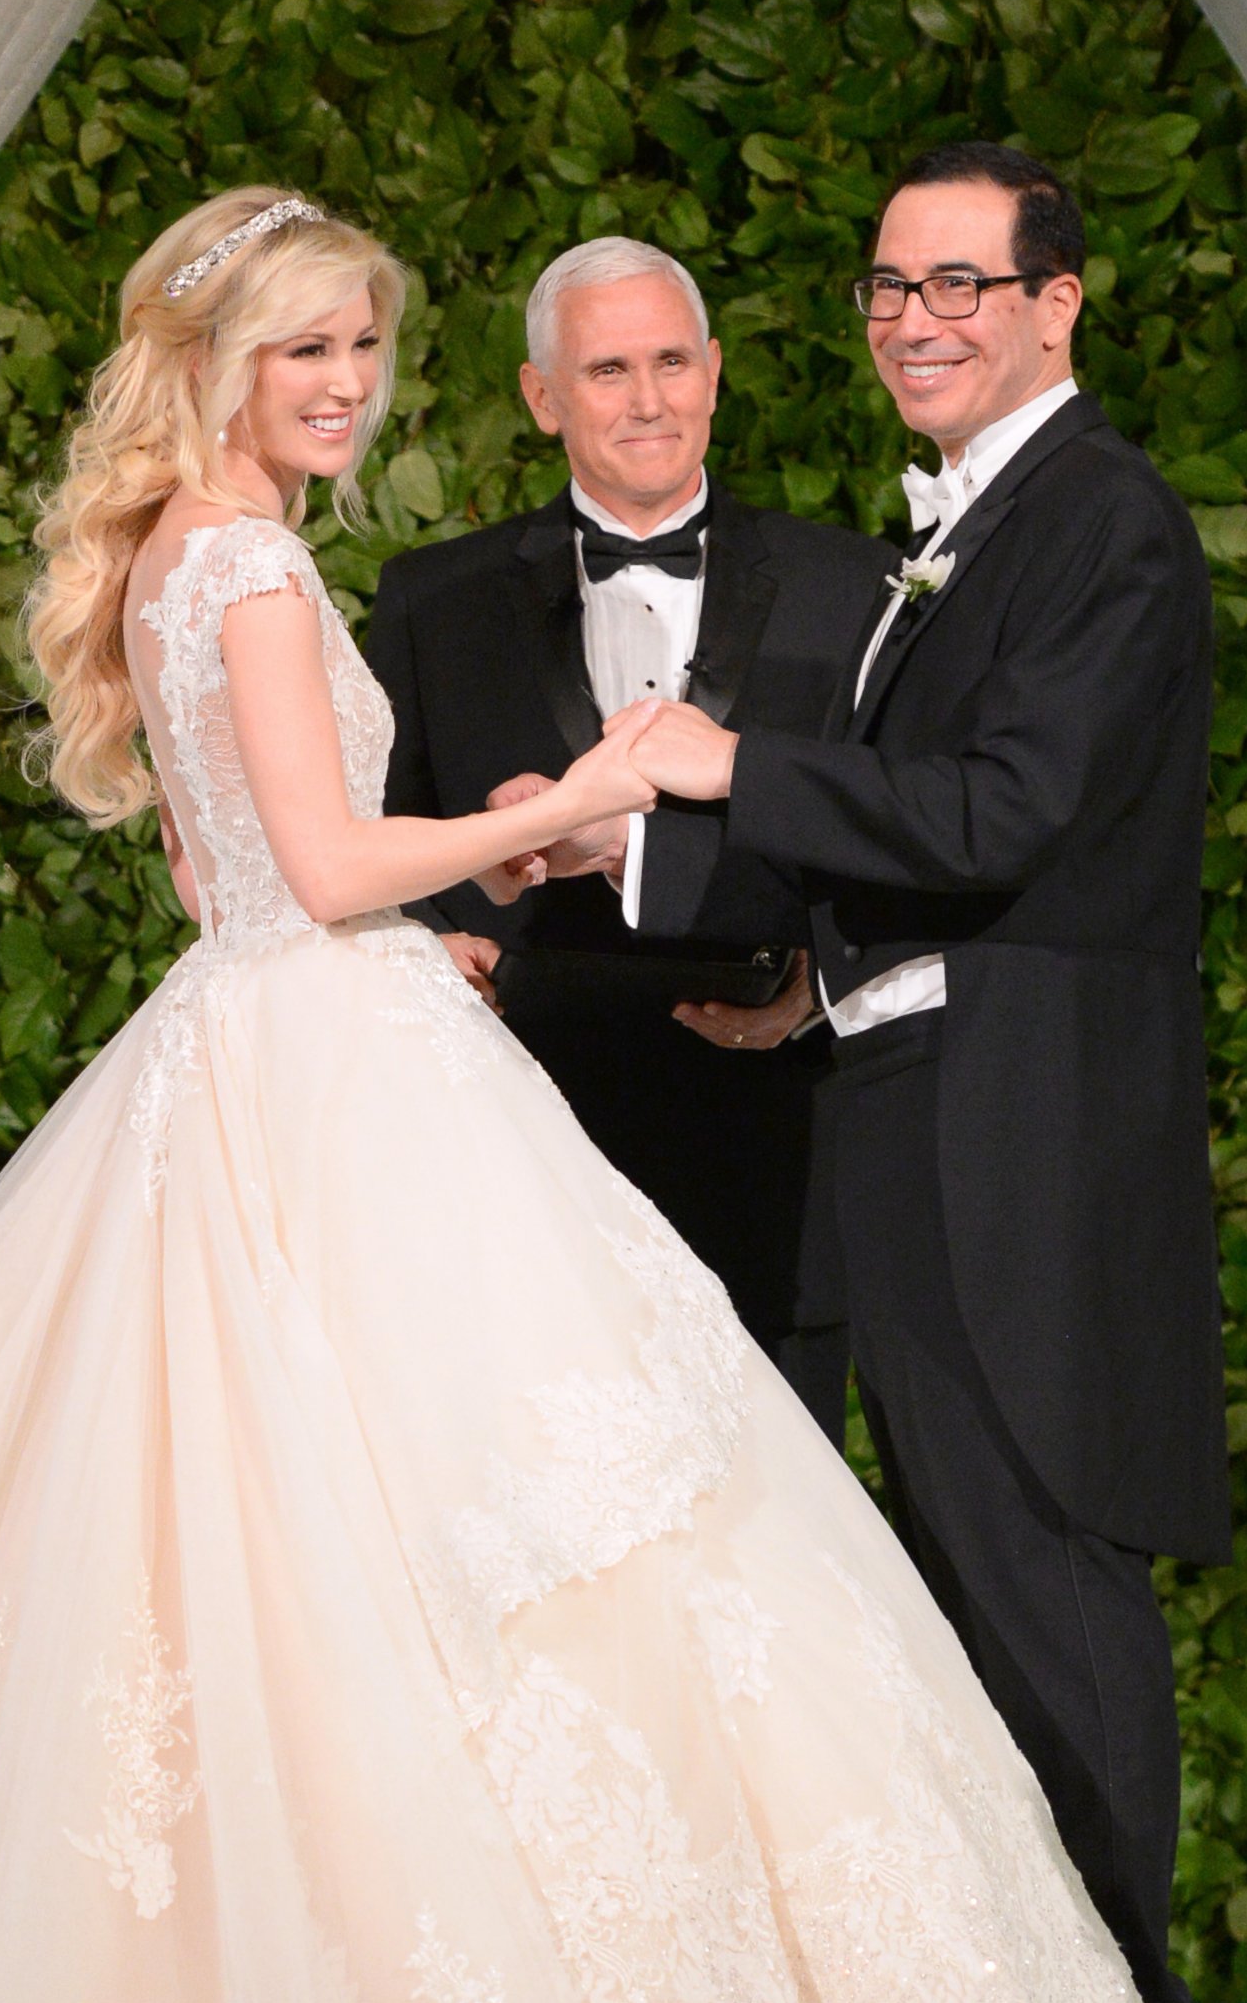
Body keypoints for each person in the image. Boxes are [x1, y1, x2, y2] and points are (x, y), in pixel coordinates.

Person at [0, 187, 1176, 2003]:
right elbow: (318, 870)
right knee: (497, 1547)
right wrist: (585, 796)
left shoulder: (202, 553)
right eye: (305, 351)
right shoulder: (233, 562)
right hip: (323, 1087)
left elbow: (241, 879)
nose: (341, 387)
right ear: (213, 356)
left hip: (285, 1048)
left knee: (361, 1555)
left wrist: (467, 862)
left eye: (361, 350)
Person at [617, 143, 1231, 2003]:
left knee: (1044, 1579)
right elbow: (955, 856)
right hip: (912, 1105)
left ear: (1061, 299)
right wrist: (809, 987)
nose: (914, 322)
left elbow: (1006, 811)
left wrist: (722, 763)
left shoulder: (1105, 522)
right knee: (960, 1596)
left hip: (1026, 1133)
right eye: (887, 288)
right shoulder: (977, 526)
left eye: (959, 286)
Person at [368, 239, 886, 1446]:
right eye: (608, 370)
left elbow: (900, 833)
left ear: (714, 372)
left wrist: (820, 985)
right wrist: (426, 947)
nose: (648, 399)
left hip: (776, 1146)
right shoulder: (431, 600)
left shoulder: (855, 586)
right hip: (523, 1150)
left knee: (789, 1540)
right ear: (543, 399)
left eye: (670, 362)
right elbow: (372, 844)